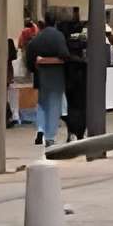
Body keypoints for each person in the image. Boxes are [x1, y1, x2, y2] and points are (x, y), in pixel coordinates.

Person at [25, 13, 76, 145]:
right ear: (55, 22)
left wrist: (36, 65)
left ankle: (40, 130)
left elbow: (30, 54)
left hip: (41, 75)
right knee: (54, 105)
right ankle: (50, 137)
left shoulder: (38, 37)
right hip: (56, 75)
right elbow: (65, 55)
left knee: (42, 104)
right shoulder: (58, 36)